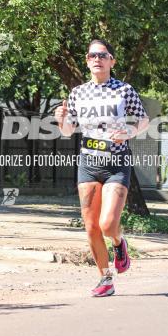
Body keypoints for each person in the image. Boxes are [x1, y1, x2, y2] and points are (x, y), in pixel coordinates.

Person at [55, 40, 149, 297]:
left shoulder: (124, 90)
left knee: (108, 225)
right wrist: (60, 119)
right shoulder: (77, 93)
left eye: (102, 55)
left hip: (116, 163)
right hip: (88, 162)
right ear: (87, 61)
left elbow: (143, 120)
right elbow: (67, 131)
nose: (97, 59)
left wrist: (129, 131)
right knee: (91, 226)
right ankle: (105, 278)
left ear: (112, 61)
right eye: (91, 55)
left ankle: (119, 243)